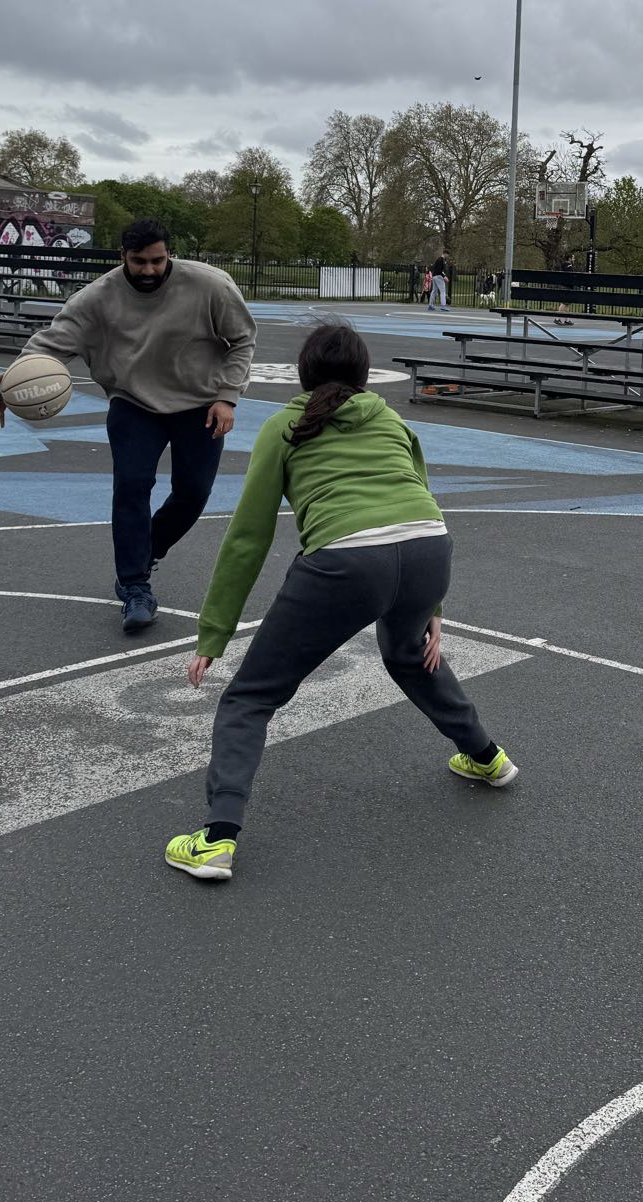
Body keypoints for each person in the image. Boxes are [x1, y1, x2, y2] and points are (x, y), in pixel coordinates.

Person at [165, 323, 517, 881]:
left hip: (347, 560)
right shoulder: (392, 418)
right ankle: (487, 757)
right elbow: (420, 498)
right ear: (364, 372)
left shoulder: (285, 425)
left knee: (250, 698)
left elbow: (248, 538)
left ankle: (215, 840)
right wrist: (434, 609)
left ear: (304, 374)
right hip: (429, 547)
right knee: (409, 654)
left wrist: (214, 634)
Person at [0, 218, 257, 632]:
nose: (149, 270)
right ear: (122, 257)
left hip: (200, 404)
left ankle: (146, 550)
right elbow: (46, 346)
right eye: (138, 262)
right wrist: (6, 383)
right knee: (132, 488)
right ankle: (134, 588)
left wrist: (227, 396)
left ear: (170, 253)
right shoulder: (97, 298)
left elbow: (242, 340)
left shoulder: (210, 285)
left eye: (157, 260)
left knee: (193, 494)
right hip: (133, 404)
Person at [555, 252, 576, 325]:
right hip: (566, 286)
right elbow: (570, 275)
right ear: (569, 258)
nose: (574, 259)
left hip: (567, 286)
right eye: (573, 257)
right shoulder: (567, 265)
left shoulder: (567, 265)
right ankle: (557, 318)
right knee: (564, 303)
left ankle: (567, 319)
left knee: (566, 304)